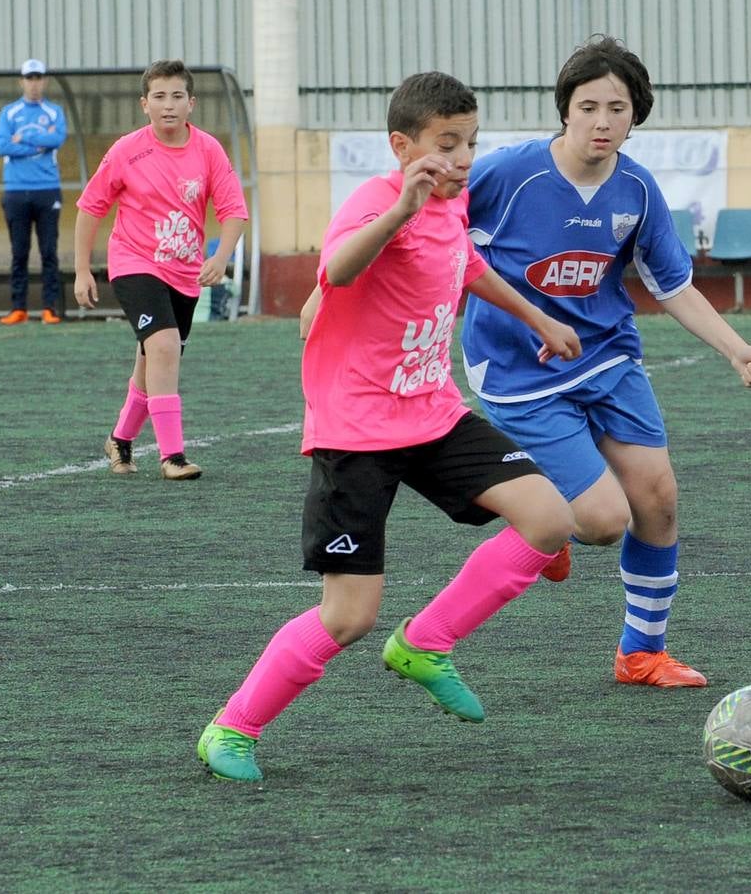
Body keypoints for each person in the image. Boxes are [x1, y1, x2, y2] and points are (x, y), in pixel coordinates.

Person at [197, 72, 583, 782]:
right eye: (446, 144)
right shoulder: (378, 202)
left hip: (432, 414)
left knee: (551, 518)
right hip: (356, 432)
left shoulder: (451, 203)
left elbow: (466, 266)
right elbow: (337, 272)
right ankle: (232, 727)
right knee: (348, 617)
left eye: (470, 142)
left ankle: (427, 644)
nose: (462, 158)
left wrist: (537, 316)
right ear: (402, 146)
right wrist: (400, 208)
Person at [459, 36, 751, 688]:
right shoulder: (508, 175)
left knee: (657, 496)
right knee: (603, 523)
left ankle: (642, 654)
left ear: (637, 115)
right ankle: (538, 515)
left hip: (606, 356)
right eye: (588, 106)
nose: (602, 121)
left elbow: (673, 286)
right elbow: (436, 244)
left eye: (618, 108)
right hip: (518, 372)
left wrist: (736, 348)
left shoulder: (636, 188)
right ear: (564, 110)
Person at [73, 60, 248, 480]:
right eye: (158, 97)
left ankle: (120, 440)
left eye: (176, 97)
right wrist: (82, 269)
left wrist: (220, 257)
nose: (168, 105)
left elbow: (234, 211)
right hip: (134, 262)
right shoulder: (126, 151)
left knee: (152, 360)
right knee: (165, 346)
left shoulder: (208, 150)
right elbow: (90, 206)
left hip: (186, 273)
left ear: (191, 104)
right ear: (144, 105)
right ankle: (173, 456)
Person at [0, 58, 67, 325]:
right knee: (19, 252)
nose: (34, 83)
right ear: (21, 81)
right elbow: (2, 146)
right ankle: (18, 308)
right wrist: (39, 144)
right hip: (15, 191)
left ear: (44, 81)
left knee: (49, 251)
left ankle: (50, 308)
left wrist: (22, 138)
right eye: (29, 78)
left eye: (38, 78)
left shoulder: (54, 112)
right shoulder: (9, 113)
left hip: (47, 190)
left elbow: (57, 138)